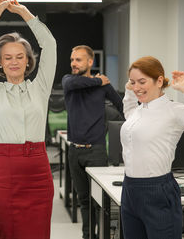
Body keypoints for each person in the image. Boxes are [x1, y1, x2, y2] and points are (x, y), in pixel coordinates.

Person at [0, 0, 56, 239]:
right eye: (7, 58)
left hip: (38, 172)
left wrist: (24, 13)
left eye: (20, 57)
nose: (14, 62)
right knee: (6, 233)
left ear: (28, 61)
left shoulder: (40, 87)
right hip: (5, 171)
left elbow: (49, 45)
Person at [120, 56, 184, 239]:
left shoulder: (173, 111)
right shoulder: (139, 110)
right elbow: (129, 114)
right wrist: (129, 91)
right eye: (133, 82)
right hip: (129, 190)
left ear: (159, 81)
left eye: (142, 82)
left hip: (157, 190)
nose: (137, 87)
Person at [61, 45, 123, 239]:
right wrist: (97, 79)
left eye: (78, 60)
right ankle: (87, 236)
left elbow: (121, 105)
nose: (73, 63)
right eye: (72, 59)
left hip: (95, 151)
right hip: (74, 151)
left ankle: (99, 235)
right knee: (83, 200)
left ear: (90, 62)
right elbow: (73, 84)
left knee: (98, 201)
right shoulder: (69, 81)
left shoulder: (103, 86)